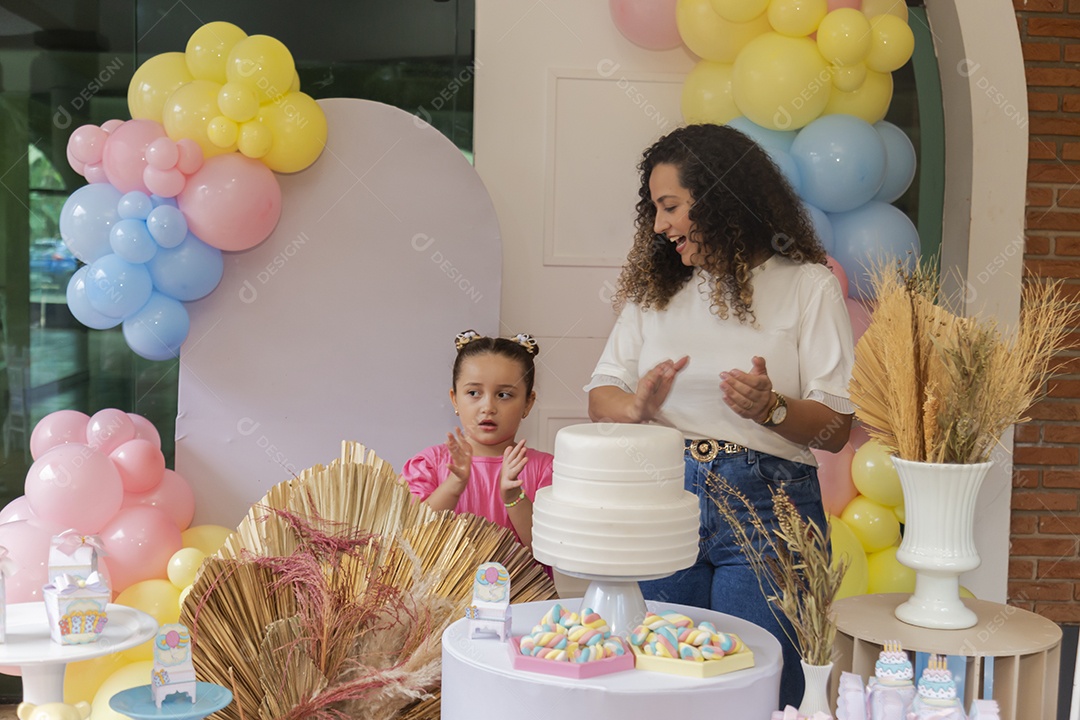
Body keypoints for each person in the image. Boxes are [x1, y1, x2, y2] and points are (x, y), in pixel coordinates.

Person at [586, 124, 854, 708]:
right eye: (654, 210)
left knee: (754, 687)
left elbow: (838, 429)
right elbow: (601, 391)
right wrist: (635, 406)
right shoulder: (653, 293)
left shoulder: (809, 287)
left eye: (672, 207)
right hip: (663, 500)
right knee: (652, 681)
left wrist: (773, 407)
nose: (659, 225)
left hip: (769, 507)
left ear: (721, 199)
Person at [403, 330, 553, 551]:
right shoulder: (428, 465)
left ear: (528, 403)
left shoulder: (544, 470)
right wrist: (453, 487)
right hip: (441, 587)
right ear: (455, 399)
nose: (488, 408)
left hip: (522, 587)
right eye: (474, 393)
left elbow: (549, 548)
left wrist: (514, 498)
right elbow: (410, 540)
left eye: (504, 395)